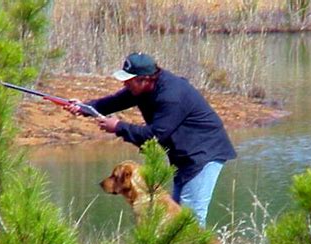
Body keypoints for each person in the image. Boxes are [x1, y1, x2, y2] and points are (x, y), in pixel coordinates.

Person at [65, 52, 236, 228]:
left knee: (189, 218)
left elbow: (155, 136)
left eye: (128, 80)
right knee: (174, 217)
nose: (124, 84)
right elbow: (114, 102)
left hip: (204, 153)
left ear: (145, 79)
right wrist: (84, 107)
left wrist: (118, 127)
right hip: (183, 156)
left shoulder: (171, 95)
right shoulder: (142, 88)